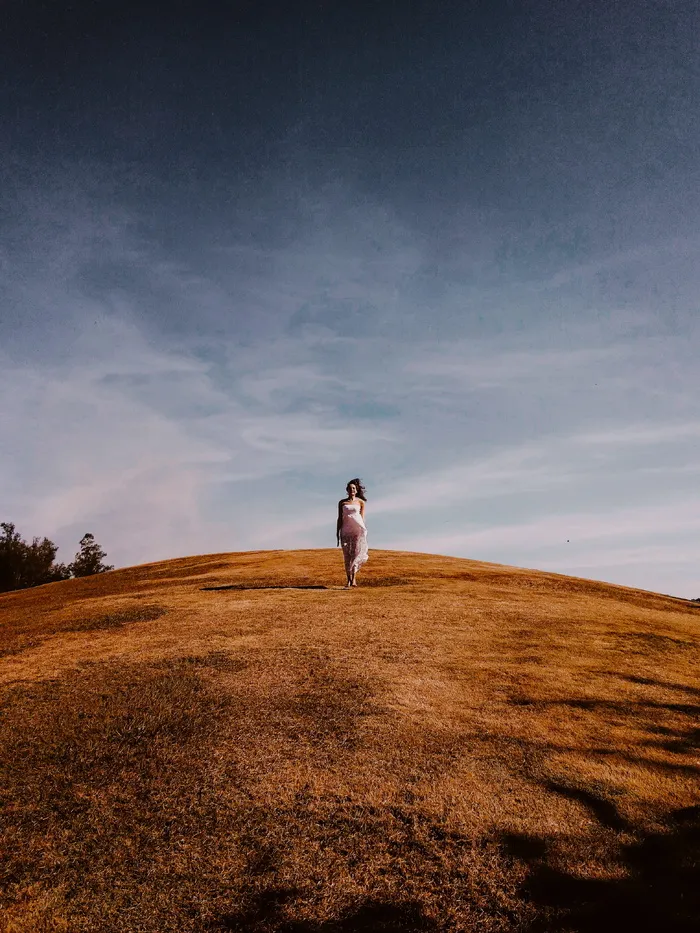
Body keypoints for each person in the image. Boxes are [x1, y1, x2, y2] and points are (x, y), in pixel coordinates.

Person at [336, 478, 368, 587]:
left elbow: (362, 518)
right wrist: (337, 532)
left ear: (356, 490)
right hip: (345, 530)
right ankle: (348, 580)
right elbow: (340, 518)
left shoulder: (360, 502)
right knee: (347, 556)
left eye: (354, 488)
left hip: (357, 531)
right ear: (347, 490)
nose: (352, 490)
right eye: (350, 489)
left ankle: (354, 579)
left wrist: (363, 531)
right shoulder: (342, 502)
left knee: (355, 554)